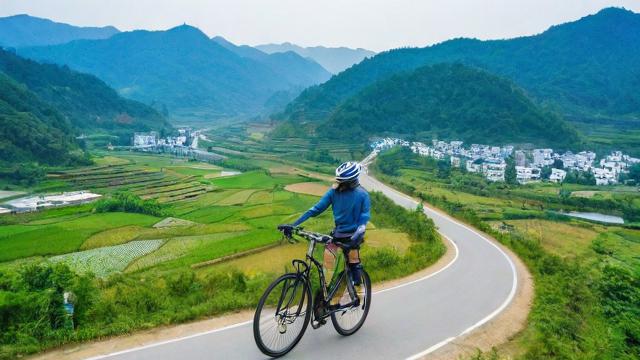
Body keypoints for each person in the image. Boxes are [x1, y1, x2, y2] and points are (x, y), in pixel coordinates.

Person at [282, 161, 370, 285]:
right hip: (338, 235)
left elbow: (364, 217)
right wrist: (294, 224)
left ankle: (358, 289)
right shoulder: (338, 192)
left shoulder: (360, 194)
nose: (339, 184)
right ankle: (326, 293)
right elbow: (316, 209)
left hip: (352, 237)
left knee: (353, 262)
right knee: (328, 265)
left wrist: (360, 230)